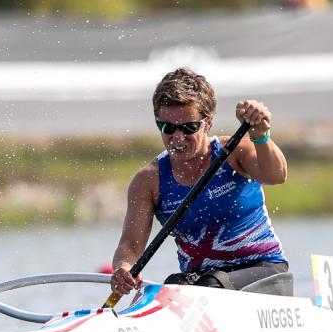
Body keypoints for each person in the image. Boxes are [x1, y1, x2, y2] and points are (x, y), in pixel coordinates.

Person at [110, 67, 288, 298]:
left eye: (189, 127)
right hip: (204, 283)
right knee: (163, 292)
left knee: (209, 285)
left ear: (208, 123)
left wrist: (260, 134)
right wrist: (123, 268)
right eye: (167, 127)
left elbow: (277, 175)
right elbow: (131, 247)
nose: (177, 138)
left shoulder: (235, 153)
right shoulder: (148, 181)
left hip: (264, 272)